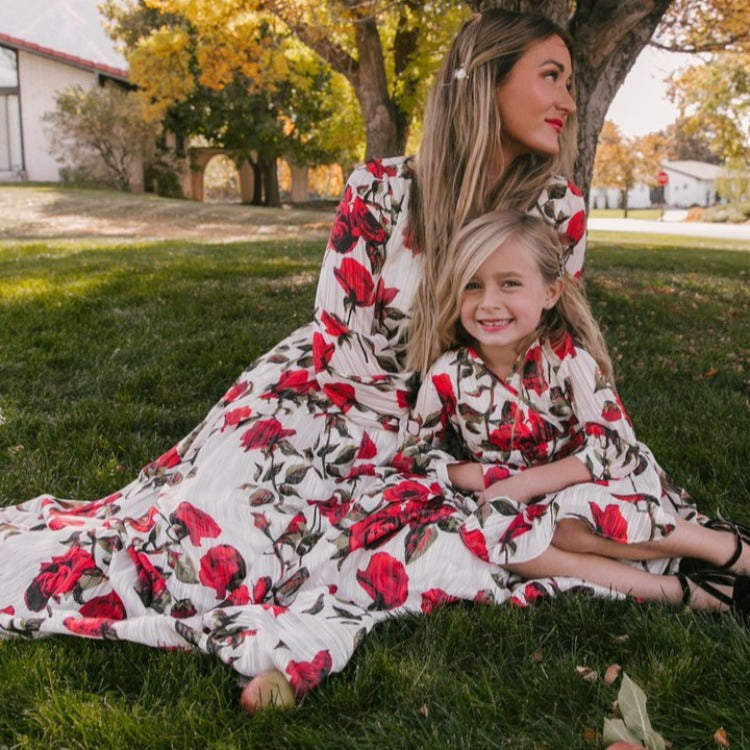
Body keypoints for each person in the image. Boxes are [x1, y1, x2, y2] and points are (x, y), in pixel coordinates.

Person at [0, 8, 743, 713]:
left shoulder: (558, 209)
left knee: (488, 514)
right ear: (487, 77)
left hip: (463, 421)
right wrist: (397, 451)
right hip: (327, 402)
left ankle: (707, 563)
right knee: (220, 537)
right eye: (552, 75)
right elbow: (337, 346)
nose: (568, 101)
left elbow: (548, 348)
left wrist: (480, 438)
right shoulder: (381, 192)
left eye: (572, 83)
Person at [392, 208, 750, 616]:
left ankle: (728, 548)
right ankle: (680, 592)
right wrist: (476, 475)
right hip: (520, 505)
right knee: (502, 539)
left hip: (598, 484)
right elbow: (413, 454)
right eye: (473, 286)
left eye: (509, 284)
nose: (489, 302)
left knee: (573, 522)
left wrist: (526, 483)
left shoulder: (565, 359)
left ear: (550, 293)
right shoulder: (447, 375)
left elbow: (616, 446)